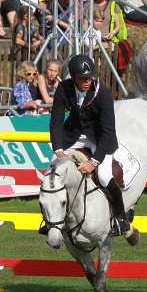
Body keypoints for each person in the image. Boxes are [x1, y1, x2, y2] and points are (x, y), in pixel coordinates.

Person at [49, 54, 126, 237]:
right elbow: (56, 121)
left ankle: (121, 217)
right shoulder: (63, 88)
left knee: (105, 176)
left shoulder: (103, 93)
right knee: (53, 170)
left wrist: (94, 161)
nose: (87, 81)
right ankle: (51, 221)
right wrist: (58, 150)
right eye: (83, 78)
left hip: (99, 138)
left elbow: (108, 131)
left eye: (90, 77)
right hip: (73, 135)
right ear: (73, 76)